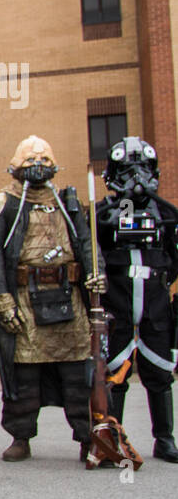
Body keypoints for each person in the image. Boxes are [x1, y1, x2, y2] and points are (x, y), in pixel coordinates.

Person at [0, 136, 105, 462]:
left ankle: (85, 436)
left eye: (44, 157)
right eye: (30, 157)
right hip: (25, 298)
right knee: (25, 375)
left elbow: (88, 244)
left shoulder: (68, 201)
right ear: (17, 164)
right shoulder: (5, 203)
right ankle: (21, 436)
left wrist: (95, 273)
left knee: (77, 372)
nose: (37, 163)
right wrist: (3, 300)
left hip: (69, 298)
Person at [95, 137, 178, 462]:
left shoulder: (166, 213)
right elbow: (93, 254)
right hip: (117, 307)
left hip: (155, 307)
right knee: (115, 376)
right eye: (129, 170)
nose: (136, 177)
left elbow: (174, 258)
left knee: (159, 374)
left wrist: (162, 281)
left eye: (142, 169)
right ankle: (113, 438)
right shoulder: (102, 214)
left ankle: (165, 438)